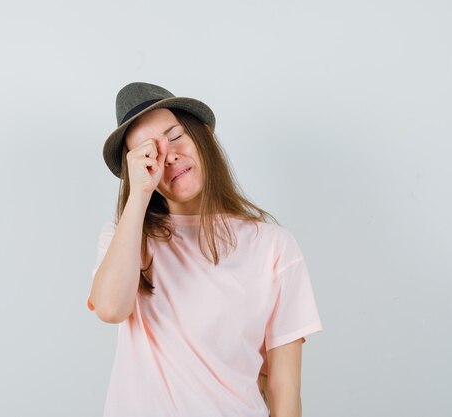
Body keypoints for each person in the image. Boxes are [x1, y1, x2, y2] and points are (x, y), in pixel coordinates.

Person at [86, 82, 323, 417]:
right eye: (149, 152)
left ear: (202, 137)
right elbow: (110, 309)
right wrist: (138, 196)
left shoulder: (273, 246)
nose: (169, 155)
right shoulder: (125, 235)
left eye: (175, 136)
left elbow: (284, 385)